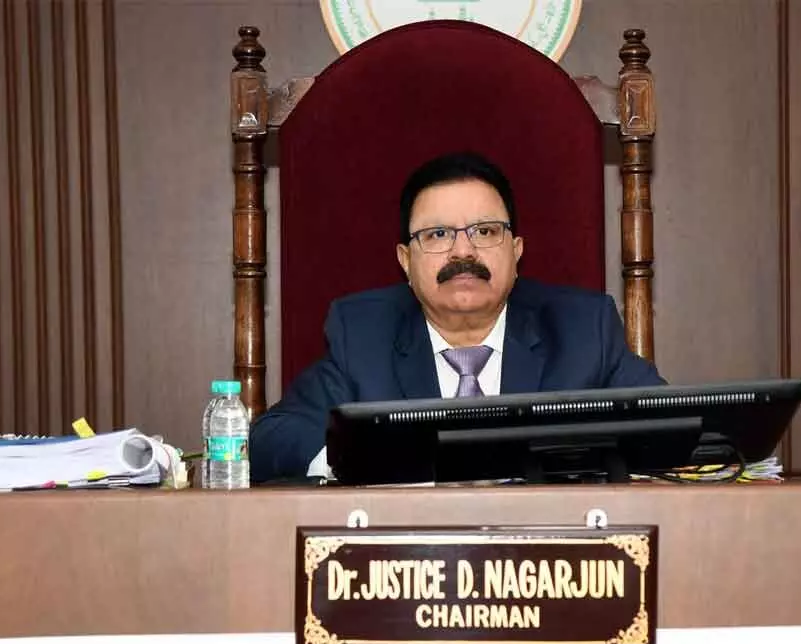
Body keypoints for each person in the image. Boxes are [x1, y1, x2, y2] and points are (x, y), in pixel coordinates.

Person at [250, 151, 665, 483]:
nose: (463, 251)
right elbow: (271, 438)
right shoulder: (362, 334)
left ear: (516, 252)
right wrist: (356, 460)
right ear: (405, 261)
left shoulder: (582, 329)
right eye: (437, 235)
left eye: (485, 232)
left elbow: (668, 428)